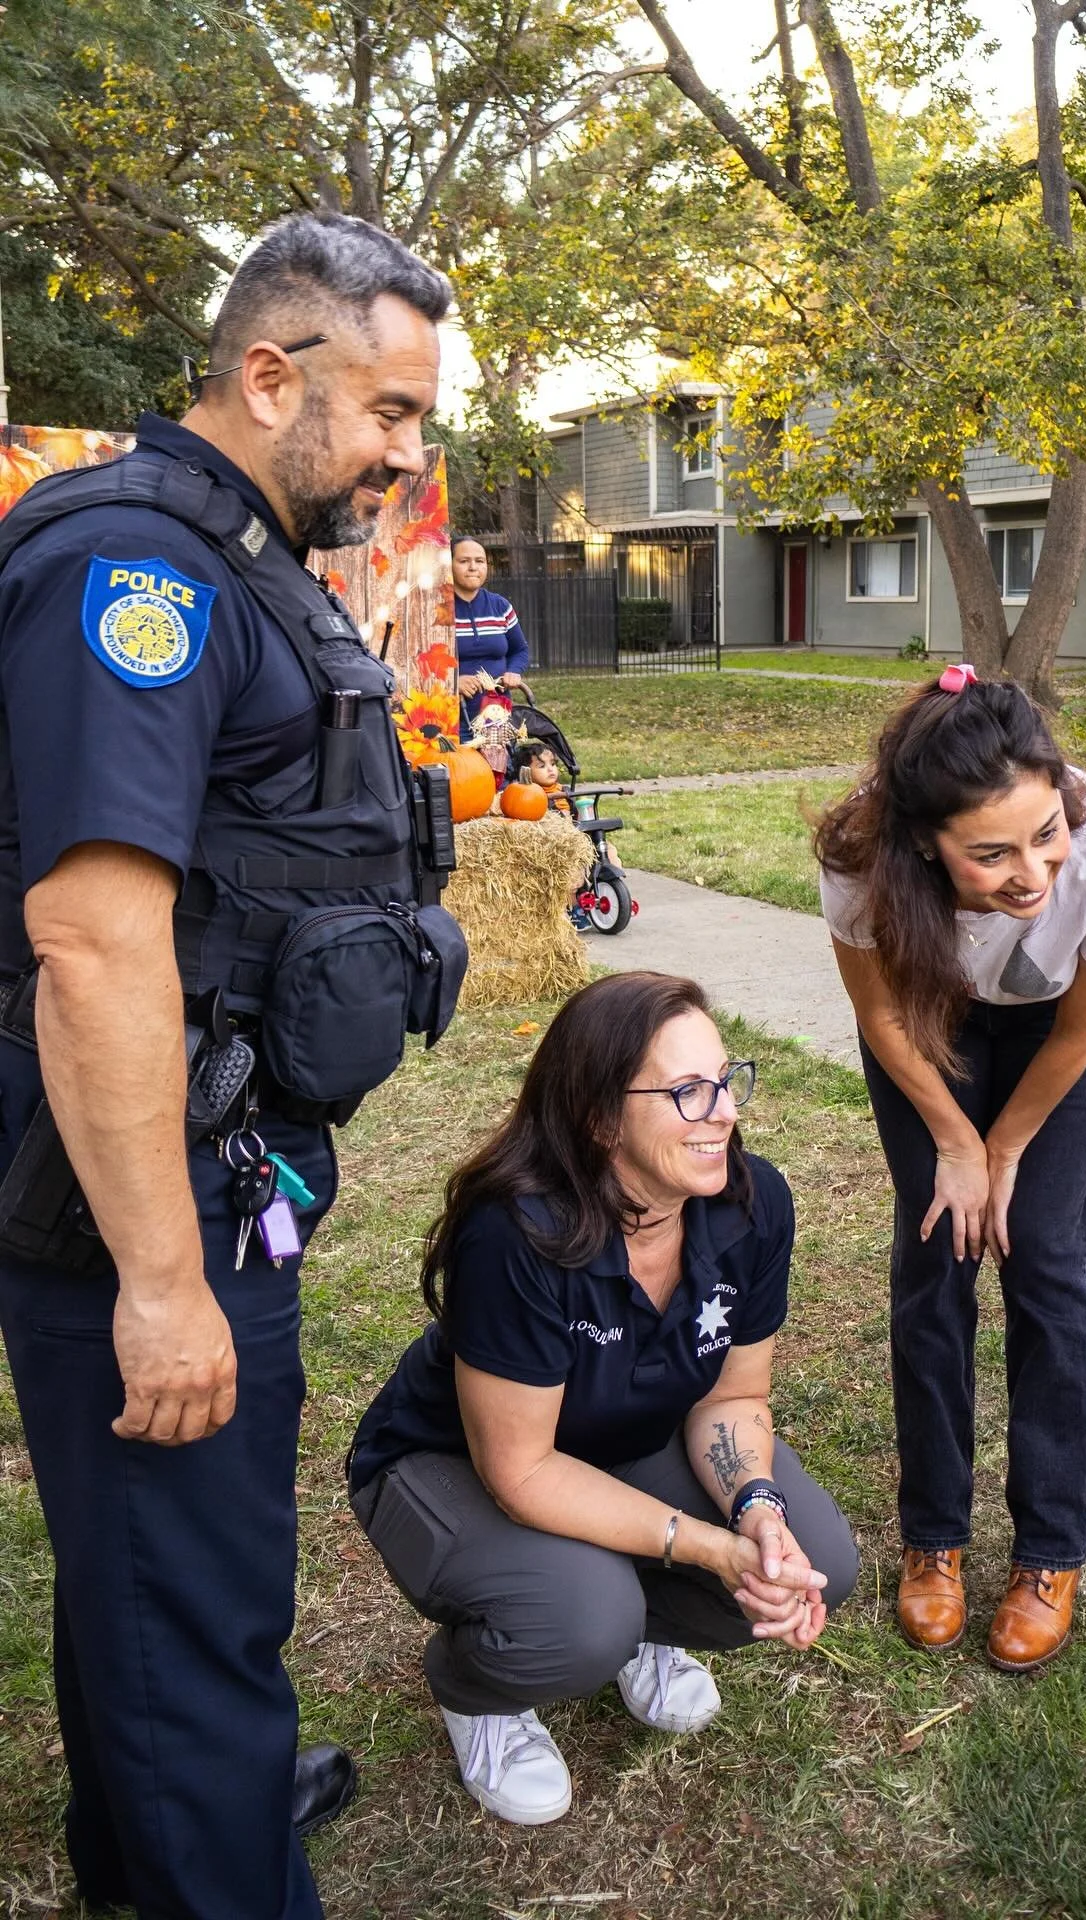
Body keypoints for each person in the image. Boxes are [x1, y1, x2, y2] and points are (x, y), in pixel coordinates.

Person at [0, 212, 461, 1918]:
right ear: (271, 376)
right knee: (199, 1601)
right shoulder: (139, 570)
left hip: (217, 1148)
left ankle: (163, 1832)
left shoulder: (238, 552)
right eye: (391, 413)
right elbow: (92, 940)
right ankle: (212, 1830)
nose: (408, 457)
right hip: (140, 1187)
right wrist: (159, 1280)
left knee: (157, 1563)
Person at [348, 971, 858, 1825]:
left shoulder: (752, 1202)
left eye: (726, 1081)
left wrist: (756, 1509)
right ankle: (478, 1691)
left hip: (617, 1443)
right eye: (688, 1092)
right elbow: (521, 1470)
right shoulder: (516, 1233)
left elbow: (734, 1397)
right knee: (585, 1618)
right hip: (456, 1463)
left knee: (816, 1559)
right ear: (598, 1117)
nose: (724, 1113)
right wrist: (710, 1548)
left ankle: (647, 1630)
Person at [816, 665, 1086, 1670]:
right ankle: (934, 1536)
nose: (1031, 873)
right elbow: (881, 1013)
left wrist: (1003, 1147)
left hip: (1061, 1031)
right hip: (933, 1020)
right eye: (991, 854)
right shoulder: (861, 855)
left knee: (1041, 1248)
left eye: (1045, 833)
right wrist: (954, 1143)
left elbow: (1081, 1036)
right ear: (925, 841)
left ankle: (1049, 1551)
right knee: (938, 1245)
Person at [451, 536, 529, 738]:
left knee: (501, 759)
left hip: (496, 713)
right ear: (449, 564)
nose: (473, 567)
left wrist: (514, 671)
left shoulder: (500, 606)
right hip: (452, 716)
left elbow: (520, 649)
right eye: (464, 561)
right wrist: (452, 681)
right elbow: (420, 663)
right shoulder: (437, 610)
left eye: (479, 561)